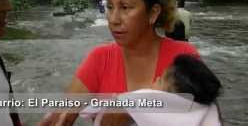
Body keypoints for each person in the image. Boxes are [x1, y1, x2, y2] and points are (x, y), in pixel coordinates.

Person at [38, 0, 199, 126]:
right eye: (109, 7)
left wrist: (132, 109)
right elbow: (65, 110)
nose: (113, 19)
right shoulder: (100, 58)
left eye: (125, 7)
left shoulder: (182, 56)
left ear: (152, 13)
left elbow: (202, 115)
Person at [80, 54, 222, 126]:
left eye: (159, 80)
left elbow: (97, 110)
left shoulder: (147, 100)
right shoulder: (208, 113)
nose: (155, 79)